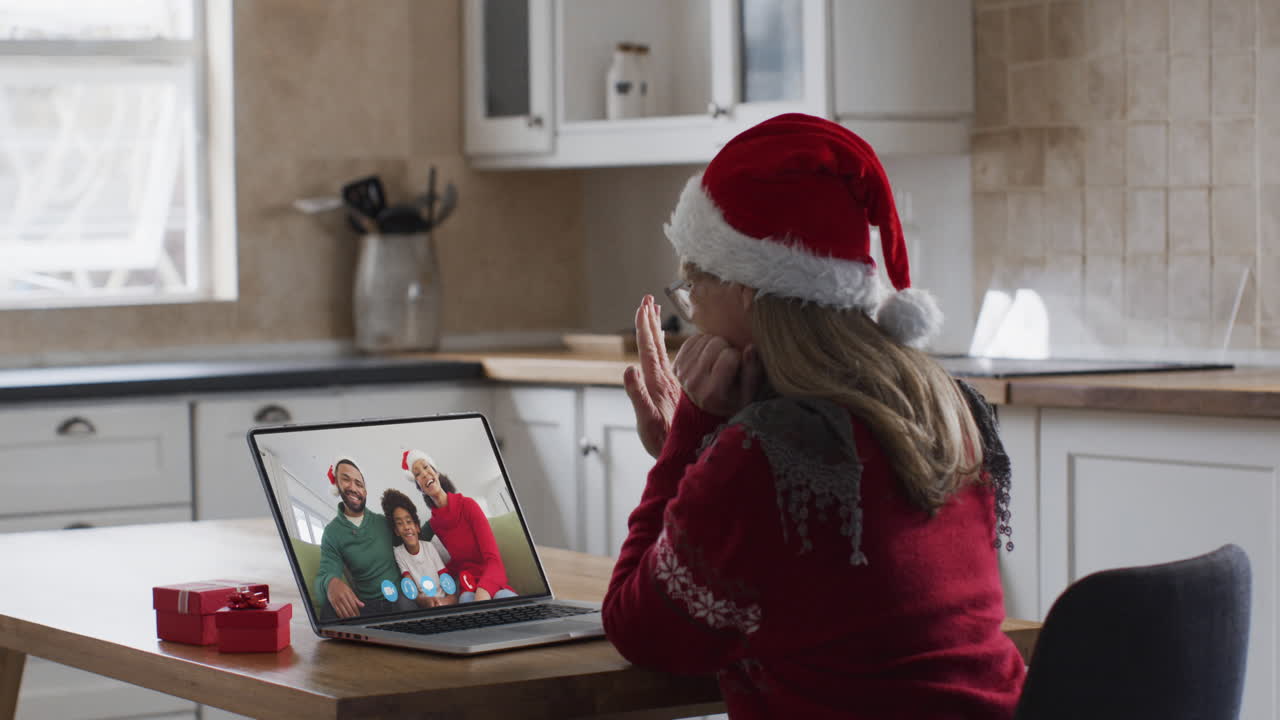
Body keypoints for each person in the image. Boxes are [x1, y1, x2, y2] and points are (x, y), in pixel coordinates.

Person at [604, 113, 1024, 719]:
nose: (692, 318)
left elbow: (638, 629)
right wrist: (708, 456)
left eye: (694, 289)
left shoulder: (763, 455)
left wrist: (689, 440)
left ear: (748, 288)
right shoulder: (947, 406)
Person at [401, 449, 518, 602]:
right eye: (417, 474)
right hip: (467, 585)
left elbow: (493, 560)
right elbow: (459, 561)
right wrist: (438, 576)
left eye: (426, 467)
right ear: (420, 487)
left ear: (436, 473)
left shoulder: (468, 505)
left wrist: (483, 591)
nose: (424, 474)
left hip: (491, 580)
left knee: (504, 599)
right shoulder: (436, 524)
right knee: (467, 602)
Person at [315, 458, 416, 619]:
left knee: (408, 606)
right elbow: (326, 572)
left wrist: (436, 519)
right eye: (346, 480)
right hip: (367, 605)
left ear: (365, 491)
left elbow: (413, 541)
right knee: (328, 611)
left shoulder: (383, 522)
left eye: (359, 484)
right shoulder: (331, 533)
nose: (353, 488)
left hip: (401, 597)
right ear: (337, 486)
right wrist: (330, 583)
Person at [380, 488, 458, 608]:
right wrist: (427, 602)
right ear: (396, 531)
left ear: (417, 527)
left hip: (444, 601)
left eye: (409, 521)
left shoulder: (429, 547)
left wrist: (442, 603)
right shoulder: (399, 553)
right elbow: (412, 591)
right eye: (400, 523)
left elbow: (451, 592)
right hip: (424, 604)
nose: (406, 527)